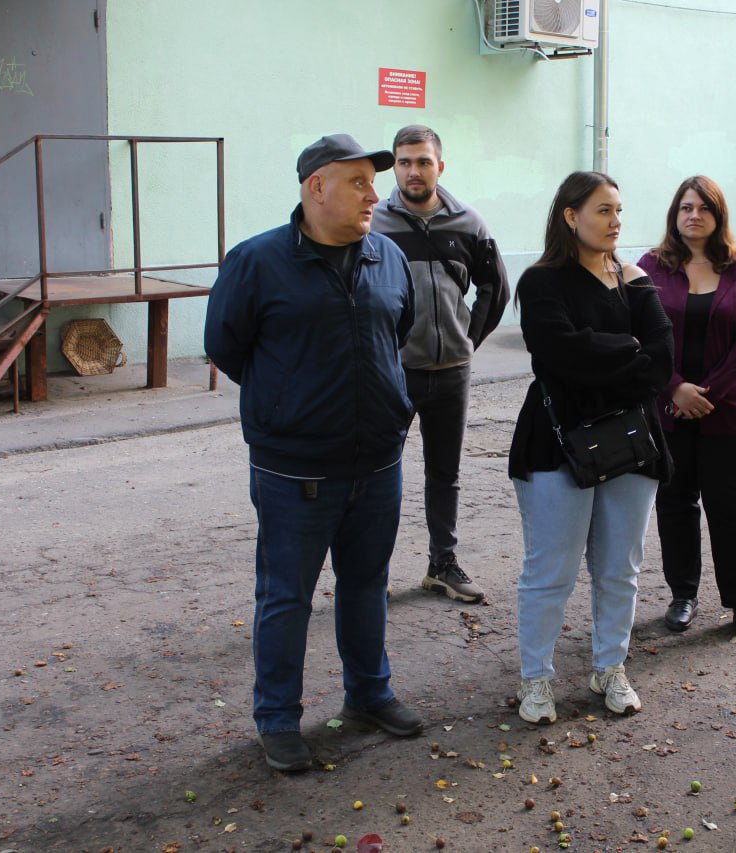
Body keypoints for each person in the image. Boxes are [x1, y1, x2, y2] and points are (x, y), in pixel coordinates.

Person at [204, 133, 424, 772]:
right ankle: (277, 717)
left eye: (371, 182)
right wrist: (292, 398)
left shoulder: (385, 256)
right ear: (315, 187)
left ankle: (369, 694)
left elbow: (397, 330)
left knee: (366, 585)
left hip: (378, 460)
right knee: (285, 596)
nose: (372, 194)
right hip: (293, 468)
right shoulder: (256, 262)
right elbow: (227, 347)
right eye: (357, 182)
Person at [508, 171, 673, 724]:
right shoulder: (541, 282)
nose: (615, 221)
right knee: (551, 569)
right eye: (602, 210)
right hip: (558, 443)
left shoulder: (636, 280)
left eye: (619, 210)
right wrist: (629, 351)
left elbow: (663, 362)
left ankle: (610, 667)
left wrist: (605, 356)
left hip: (631, 440)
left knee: (620, 567)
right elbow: (560, 357)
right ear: (570, 216)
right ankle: (537, 680)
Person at [372, 125, 510, 604]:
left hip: (451, 372)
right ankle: (371, 573)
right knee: (376, 471)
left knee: (444, 474)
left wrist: (466, 340)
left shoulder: (467, 223)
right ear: (395, 165)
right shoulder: (376, 225)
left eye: (423, 161)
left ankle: (442, 565)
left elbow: (495, 286)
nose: (414, 171)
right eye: (405, 161)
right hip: (393, 373)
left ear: (439, 167)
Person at [638, 176, 736, 643]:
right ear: (675, 214)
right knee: (675, 504)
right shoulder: (650, 268)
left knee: (730, 508)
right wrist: (675, 389)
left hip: (729, 410)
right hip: (668, 410)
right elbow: (639, 338)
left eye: (704, 208)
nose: (694, 215)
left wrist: (705, 392)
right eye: (686, 207)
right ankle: (683, 596)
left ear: (718, 216)